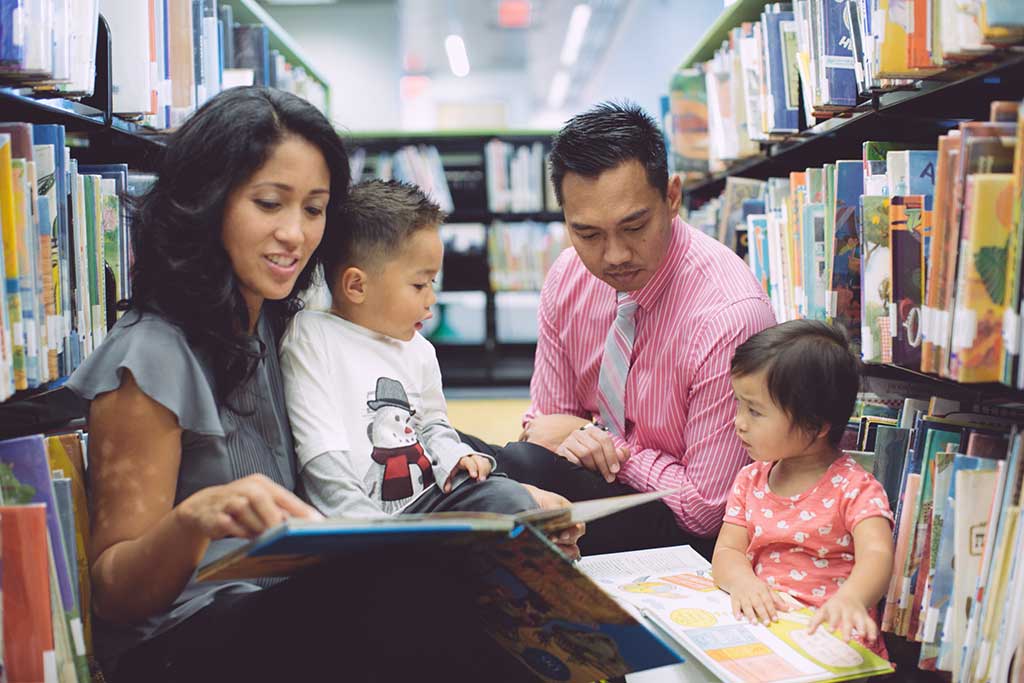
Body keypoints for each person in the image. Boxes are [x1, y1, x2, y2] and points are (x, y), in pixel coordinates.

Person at [65, 87, 575, 683]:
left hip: (298, 594)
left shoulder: (279, 326)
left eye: (314, 209)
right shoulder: (150, 354)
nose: (295, 234)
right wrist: (197, 519)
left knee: (513, 509)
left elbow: (386, 426)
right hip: (190, 641)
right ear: (207, 202)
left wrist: (509, 488)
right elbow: (113, 592)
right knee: (415, 593)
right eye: (268, 203)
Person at [463, 102, 776, 558]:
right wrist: (576, 440)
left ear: (672, 197)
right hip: (591, 489)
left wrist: (610, 448)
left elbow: (706, 508)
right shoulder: (568, 277)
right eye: (587, 234)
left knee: (504, 475)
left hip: (685, 531)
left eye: (634, 226)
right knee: (463, 459)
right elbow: (548, 426)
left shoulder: (728, 316)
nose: (614, 256)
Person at [280, 179, 579, 549]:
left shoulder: (419, 349)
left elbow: (432, 423)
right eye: (420, 285)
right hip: (358, 523)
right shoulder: (312, 336)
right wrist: (365, 530)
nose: (431, 299)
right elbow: (320, 452)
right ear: (356, 286)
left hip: (428, 503)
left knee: (510, 498)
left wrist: (456, 456)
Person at [711, 320, 894, 656]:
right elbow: (727, 553)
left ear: (816, 424)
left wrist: (853, 597)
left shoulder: (855, 488)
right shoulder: (749, 480)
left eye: (754, 410)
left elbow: (878, 554)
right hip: (765, 624)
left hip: (829, 633)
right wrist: (744, 583)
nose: (739, 421)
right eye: (739, 404)